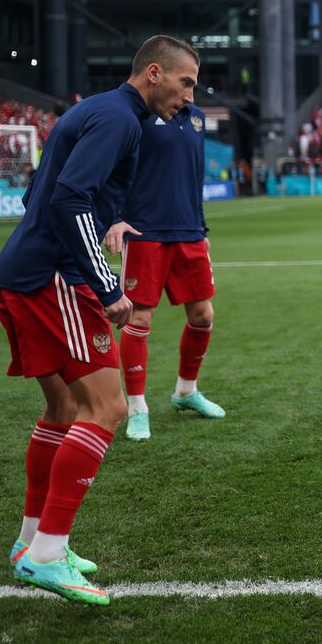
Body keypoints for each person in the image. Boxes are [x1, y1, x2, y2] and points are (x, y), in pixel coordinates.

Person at [0, 34, 199, 605]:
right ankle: (48, 556)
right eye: (186, 84)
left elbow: (52, 190)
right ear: (154, 73)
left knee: (61, 407)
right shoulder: (121, 120)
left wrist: (110, 219)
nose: (190, 97)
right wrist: (106, 282)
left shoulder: (97, 109)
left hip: (22, 270)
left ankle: (31, 543)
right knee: (106, 407)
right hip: (52, 279)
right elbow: (68, 198)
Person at [104, 89, 225, 442]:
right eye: (185, 81)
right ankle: (137, 407)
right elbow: (113, 170)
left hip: (188, 232)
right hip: (144, 232)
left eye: (194, 83)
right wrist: (114, 219)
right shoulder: (138, 118)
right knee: (139, 318)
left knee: (203, 316)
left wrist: (201, 229)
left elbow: (195, 177)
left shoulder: (198, 119)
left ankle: (186, 392)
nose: (189, 91)